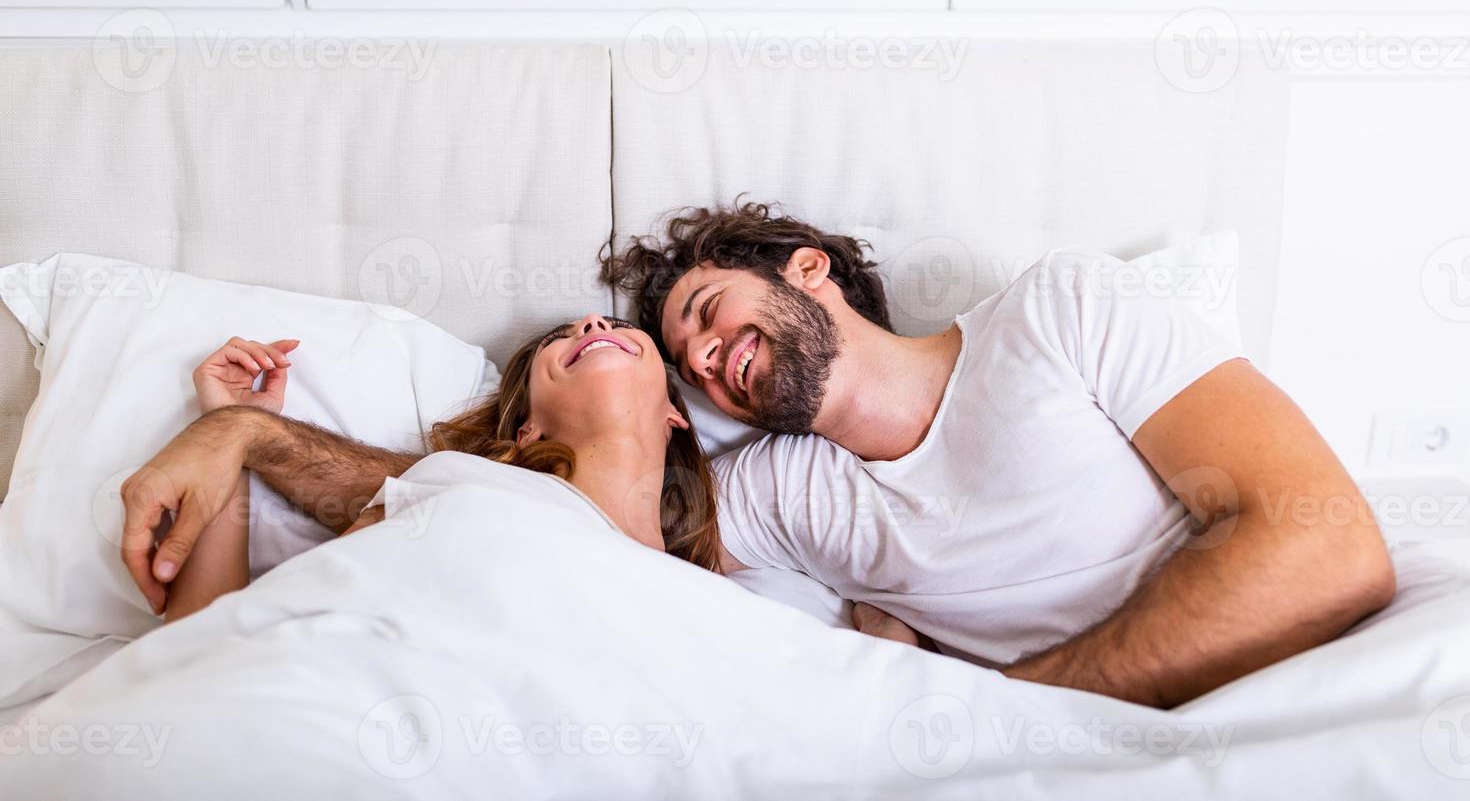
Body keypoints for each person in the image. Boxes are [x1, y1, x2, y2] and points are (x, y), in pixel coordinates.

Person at [600, 200, 1398, 707]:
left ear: (808, 270)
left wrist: (1017, 713)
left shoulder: (1057, 310)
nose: (703, 357)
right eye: (687, 364)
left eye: (706, 312)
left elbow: (1329, 549)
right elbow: (608, 566)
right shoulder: (775, 494)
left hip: (1274, 698)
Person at [133, 315, 721, 624]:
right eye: (559, 339)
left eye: (616, 329)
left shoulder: (709, 603)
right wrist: (231, 424)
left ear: (676, 413)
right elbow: (210, 642)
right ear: (528, 430)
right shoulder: (456, 486)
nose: (595, 322)